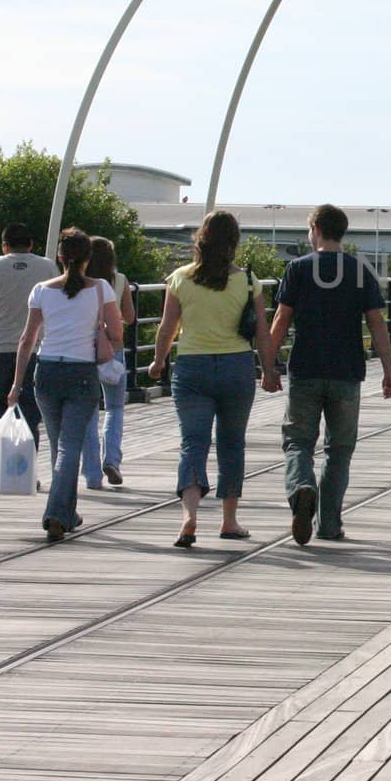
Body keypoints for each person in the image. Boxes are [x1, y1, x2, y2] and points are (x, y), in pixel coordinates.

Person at [266, 204, 391, 545]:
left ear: (316, 229)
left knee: (297, 442)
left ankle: (301, 487)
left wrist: (268, 364)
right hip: (346, 372)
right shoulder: (358, 270)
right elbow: (376, 322)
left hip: (306, 370)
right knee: (339, 450)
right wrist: (388, 370)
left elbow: (281, 320)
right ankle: (329, 524)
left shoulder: (297, 269)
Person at [148, 210, 277, 548]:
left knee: (193, 442)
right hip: (236, 368)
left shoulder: (179, 278)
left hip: (192, 367)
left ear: (200, 240)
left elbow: (168, 327)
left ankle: (189, 516)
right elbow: (262, 332)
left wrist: (158, 361)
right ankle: (229, 520)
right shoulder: (249, 281)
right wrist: (268, 369)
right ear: (234, 243)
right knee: (232, 443)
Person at [7, 228, 123, 542]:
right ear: (88, 258)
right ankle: (57, 514)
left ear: (59, 256)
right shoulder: (100, 289)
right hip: (81, 374)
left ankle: (67, 514)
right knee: (68, 449)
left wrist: (17, 384)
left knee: (60, 448)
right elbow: (117, 333)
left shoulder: (41, 290)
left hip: (46, 374)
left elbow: (27, 339)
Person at [0, 222, 58, 446]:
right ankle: (28, 460)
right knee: (30, 401)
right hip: (37, 345)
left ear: (4, 246)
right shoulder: (47, 267)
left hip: (0, 343)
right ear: (30, 244)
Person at [82, 236, 136, 489]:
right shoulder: (120, 280)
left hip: (85, 351)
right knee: (114, 407)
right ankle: (112, 458)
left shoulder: (81, 283)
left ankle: (92, 469)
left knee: (89, 409)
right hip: (113, 352)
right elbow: (130, 316)